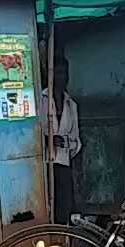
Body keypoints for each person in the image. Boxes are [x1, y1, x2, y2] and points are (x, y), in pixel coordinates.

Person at [44, 56, 81, 224]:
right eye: (57, 73)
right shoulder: (41, 100)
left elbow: (76, 140)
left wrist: (65, 145)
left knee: (63, 207)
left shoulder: (71, 104)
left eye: (64, 73)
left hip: (63, 162)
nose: (61, 77)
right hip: (43, 162)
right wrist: (47, 140)